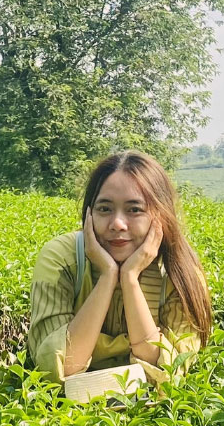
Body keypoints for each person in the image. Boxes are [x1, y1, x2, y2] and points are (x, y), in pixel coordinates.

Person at [28, 150, 213, 385]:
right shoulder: (62, 259)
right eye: (104, 209)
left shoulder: (181, 273)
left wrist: (130, 278)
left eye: (134, 209)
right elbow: (56, 370)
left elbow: (163, 375)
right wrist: (107, 277)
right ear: (89, 213)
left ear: (160, 216)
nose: (117, 223)